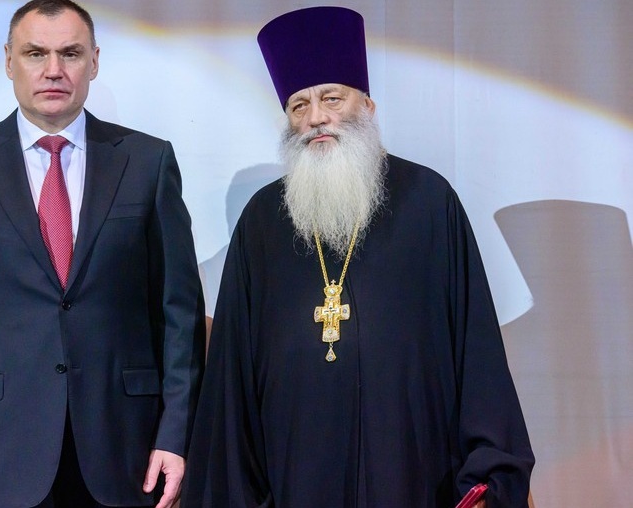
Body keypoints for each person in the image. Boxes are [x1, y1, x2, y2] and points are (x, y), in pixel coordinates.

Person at [182, 6, 534, 508]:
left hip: (413, 472)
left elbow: (475, 352)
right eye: (298, 106)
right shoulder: (262, 220)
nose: (316, 118)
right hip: (294, 479)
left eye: (331, 98)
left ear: (367, 106)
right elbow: (231, 382)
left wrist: (486, 475)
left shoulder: (429, 202)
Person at [0, 1, 205, 507]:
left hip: (125, 449)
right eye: (35, 53)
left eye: (71, 53)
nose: (53, 70)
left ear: (94, 61)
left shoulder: (148, 161)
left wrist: (176, 436)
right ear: (8, 60)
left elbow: (180, 313)